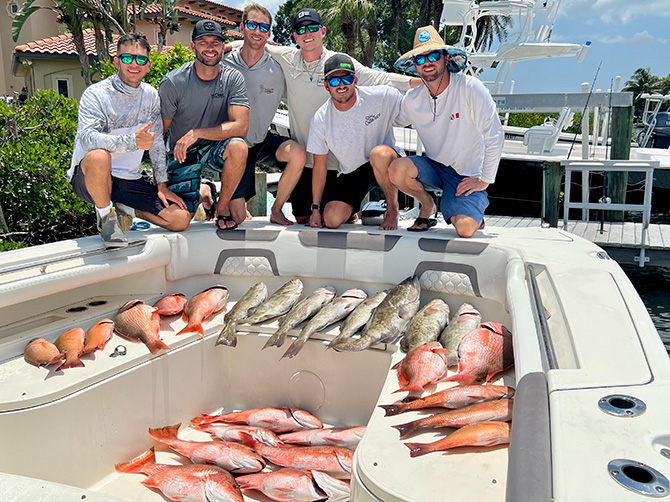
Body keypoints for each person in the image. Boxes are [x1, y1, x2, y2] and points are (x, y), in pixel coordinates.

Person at [227, 7, 420, 224]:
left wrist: (418, 82)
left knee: (333, 218)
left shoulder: (339, 62)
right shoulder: (287, 57)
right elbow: (254, 42)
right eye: (301, 29)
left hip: (342, 164)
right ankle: (339, 209)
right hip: (309, 162)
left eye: (313, 28)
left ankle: (351, 209)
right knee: (302, 218)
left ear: (323, 31)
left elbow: (379, 78)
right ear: (294, 36)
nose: (307, 34)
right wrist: (223, 47)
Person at [68, 32, 191, 248]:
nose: (134, 64)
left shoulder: (151, 95)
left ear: (148, 65)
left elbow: (156, 143)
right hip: (90, 178)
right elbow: (87, 139)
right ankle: (106, 219)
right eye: (127, 58)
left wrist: (161, 185)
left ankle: (126, 207)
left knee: (180, 219)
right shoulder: (96, 94)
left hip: (128, 181)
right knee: (99, 156)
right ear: (117, 61)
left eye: (141, 59)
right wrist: (132, 141)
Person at [390, 26, 504, 237]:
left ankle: (473, 213)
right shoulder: (412, 99)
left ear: (445, 58)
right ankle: (428, 205)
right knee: (397, 169)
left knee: (465, 229)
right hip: (434, 167)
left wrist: (484, 179)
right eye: (420, 59)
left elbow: (494, 134)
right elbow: (390, 120)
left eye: (433, 55)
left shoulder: (470, 88)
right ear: (415, 65)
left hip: (466, 174)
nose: (427, 63)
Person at [159, 20, 250, 230]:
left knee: (238, 146)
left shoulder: (233, 78)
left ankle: (222, 207)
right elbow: (158, 134)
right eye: (203, 42)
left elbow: (241, 127)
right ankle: (205, 193)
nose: (210, 47)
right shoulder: (173, 82)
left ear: (222, 46)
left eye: (216, 42)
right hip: (182, 153)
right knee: (181, 218)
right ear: (193, 46)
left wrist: (197, 133)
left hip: (214, 147)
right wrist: (161, 185)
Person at [224, 3, 306, 226]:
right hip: (235, 146)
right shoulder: (224, 63)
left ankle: (277, 210)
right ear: (242, 27)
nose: (257, 31)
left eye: (263, 27)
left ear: (269, 32)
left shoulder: (277, 71)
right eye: (252, 25)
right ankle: (212, 197)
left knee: (298, 154)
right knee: (238, 218)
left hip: (263, 140)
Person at [306, 54, 404, 230]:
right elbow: (319, 167)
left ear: (355, 80)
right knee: (331, 220)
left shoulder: (383, 96)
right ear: (326, 86)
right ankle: (351, 209)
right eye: (335, 81)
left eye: (347, 78)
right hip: (353, 171)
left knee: (379, 154)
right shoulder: (320, 120)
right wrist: (315, 209)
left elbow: (418, 109)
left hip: (386, 161)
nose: (342, 85)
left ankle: (392, 210)